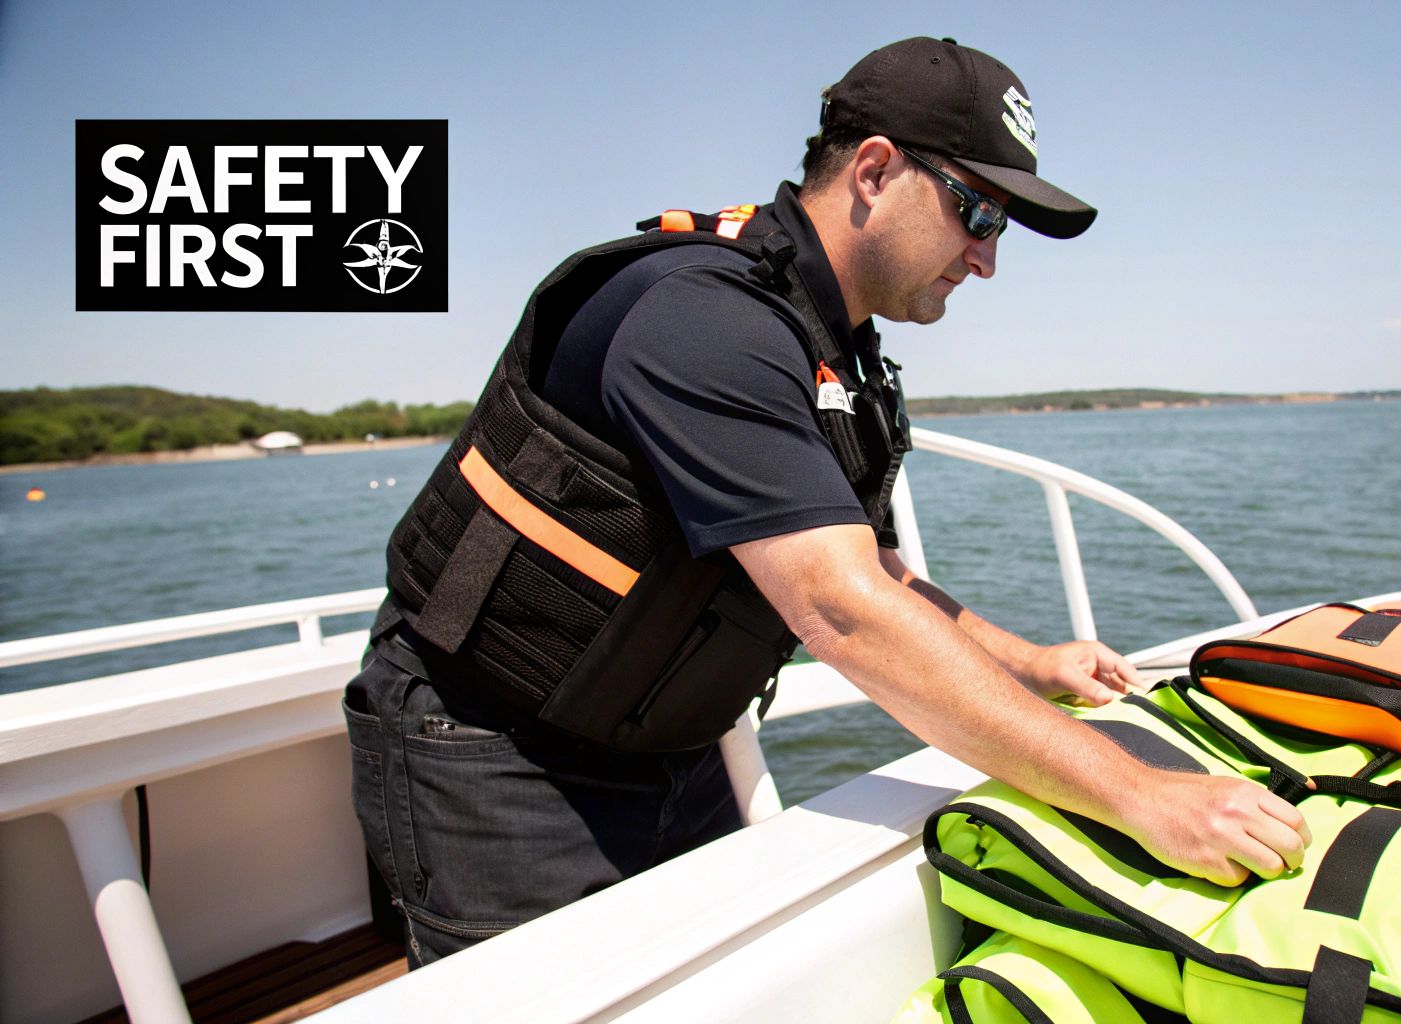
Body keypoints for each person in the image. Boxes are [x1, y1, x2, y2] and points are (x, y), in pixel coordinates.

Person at [344, 36, 1311, 968]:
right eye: (977, 212)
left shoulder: (830, 343)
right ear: (877, 170)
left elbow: (870, 569)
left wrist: (1033, 663)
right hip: (495, 755)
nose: (987, 259)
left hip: (675, 747)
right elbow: (842, 608)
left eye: (1002, 227)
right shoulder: (703, 319)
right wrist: (1147, 797)